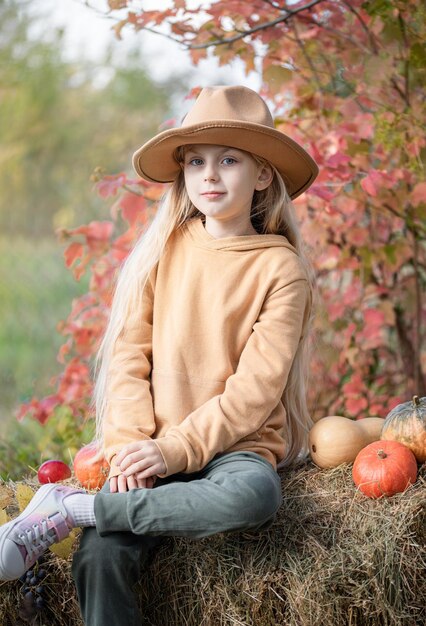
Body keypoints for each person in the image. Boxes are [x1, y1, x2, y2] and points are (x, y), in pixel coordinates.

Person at [0, 85, 319, 625]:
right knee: (98, 556)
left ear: (263, 175)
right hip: (148, 445)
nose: (210, 175)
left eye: (229, 160)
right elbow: (128, 356)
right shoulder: (164, 250)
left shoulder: (280, 269)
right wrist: (129, 447)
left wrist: (174, 452)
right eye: (196, 161)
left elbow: (253, 393)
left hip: (231, 450)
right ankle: (94, 519)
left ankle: (73, 509)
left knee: (256, 497)